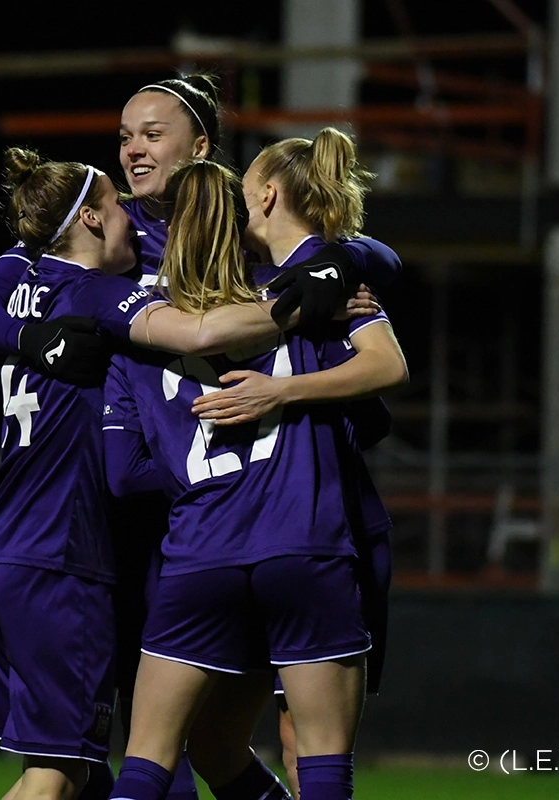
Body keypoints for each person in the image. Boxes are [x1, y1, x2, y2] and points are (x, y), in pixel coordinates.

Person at [0, 74, 397, 799]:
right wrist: (36, 340)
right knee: (163, 736)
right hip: (164, 524)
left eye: (152, 133)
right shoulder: (103, 234)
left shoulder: (235, 223)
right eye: (124, 135)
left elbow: (372, 253)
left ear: (201, 145)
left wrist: (338, 262)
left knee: (248, 736)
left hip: (267, 508)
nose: (133, 149)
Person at [103, 159, 407, 800]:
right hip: (303, 535)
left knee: (151, 759)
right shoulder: (305, 299)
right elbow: (384, 372)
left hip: (198, 551)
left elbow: (125, 473)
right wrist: (292, 389)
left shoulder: (134, 327)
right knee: (318, 758)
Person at [189, 128, 402, 798]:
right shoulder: (270, 283)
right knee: (215, 743)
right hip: (258, 533)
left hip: (326, 526)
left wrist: (278, 390)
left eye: (244, 192)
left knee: (305, 743)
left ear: (268, 193)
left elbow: (386, 363)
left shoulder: (328, 273)